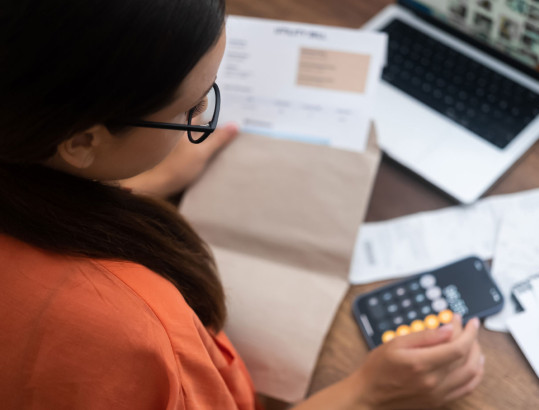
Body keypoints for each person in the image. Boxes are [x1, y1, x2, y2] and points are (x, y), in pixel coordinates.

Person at [0, 0, 484, 409]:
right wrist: (367, 391)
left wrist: (150, 176)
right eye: (190, 110)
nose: (204, 117)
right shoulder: (137, 330)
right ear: (83, 141)